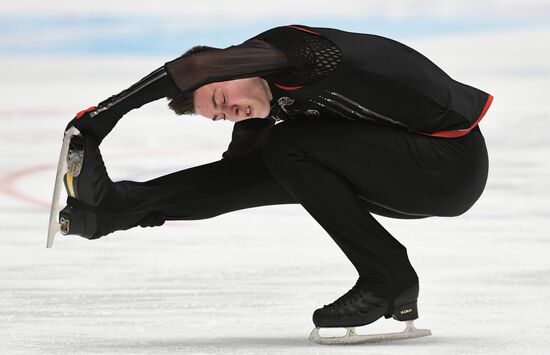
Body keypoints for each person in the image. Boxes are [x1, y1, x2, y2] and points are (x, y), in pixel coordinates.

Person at [59, 24, 492, 342]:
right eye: (220, 115)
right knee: (268, 161)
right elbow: (231, 182)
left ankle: (388, 278)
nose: (231, 112)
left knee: (287, 147)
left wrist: (103, 117)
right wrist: (145, 208)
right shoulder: (270, 108)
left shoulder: (297, 53)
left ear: (228, 65)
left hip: (449, 161)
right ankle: (114, 208)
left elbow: (193, 67)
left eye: (221, 98)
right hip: (408, 177)